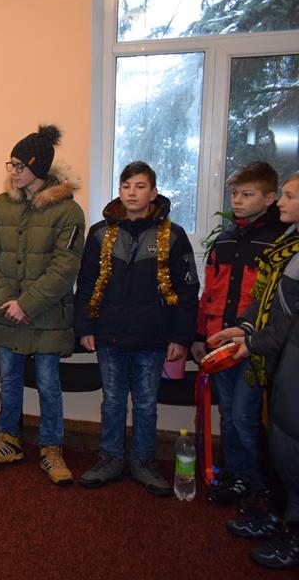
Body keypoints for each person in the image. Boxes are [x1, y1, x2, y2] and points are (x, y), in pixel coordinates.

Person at [75, 161, 199, 495]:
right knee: (112, 401)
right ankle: (110, 459)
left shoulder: (174, 236)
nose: (132, 192)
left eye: (140, 186)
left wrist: (180, 337)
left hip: (153, 339)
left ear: (153, 193)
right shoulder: (99, 233)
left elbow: (188, 291)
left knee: (145, 404)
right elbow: (86, 284)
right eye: (126, 186)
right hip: (109, 336)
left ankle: (144, 462)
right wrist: (85, 327)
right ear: (119, 190)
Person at [0, 125, 84, 486]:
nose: (13, 171)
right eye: (11, 164)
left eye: (20, 165)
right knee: (9, 380)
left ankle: (51, 446)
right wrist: (6, 301)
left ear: (38, 167)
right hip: (6, 312)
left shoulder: (68, 212)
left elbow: (64, 267)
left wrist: (27, 304)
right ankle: (8, 439)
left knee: (48, 384)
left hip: (47, 315)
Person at [211, 172, 299, 570]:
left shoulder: (280, 241)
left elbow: (290, 320)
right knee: (262, 432)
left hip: (275, 355)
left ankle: (283, 521)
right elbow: (264, 301)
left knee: (254, 424)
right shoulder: (285, 245)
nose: (281, 203)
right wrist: (244, 328)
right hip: (269, 353)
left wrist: (253, 342)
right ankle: (271, 508)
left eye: (288, 196)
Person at [191, 161, 285, 505]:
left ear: (269, 198)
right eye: (234, 194)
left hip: (254, 346)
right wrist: (199, 335)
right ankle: (237, 477)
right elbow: (210, 293)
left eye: (247, 194)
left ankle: (264, 485)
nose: (238, 201)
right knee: (228, 415)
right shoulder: (225, 239)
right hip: (221, 343)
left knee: (245, 417)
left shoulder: (278, 242)